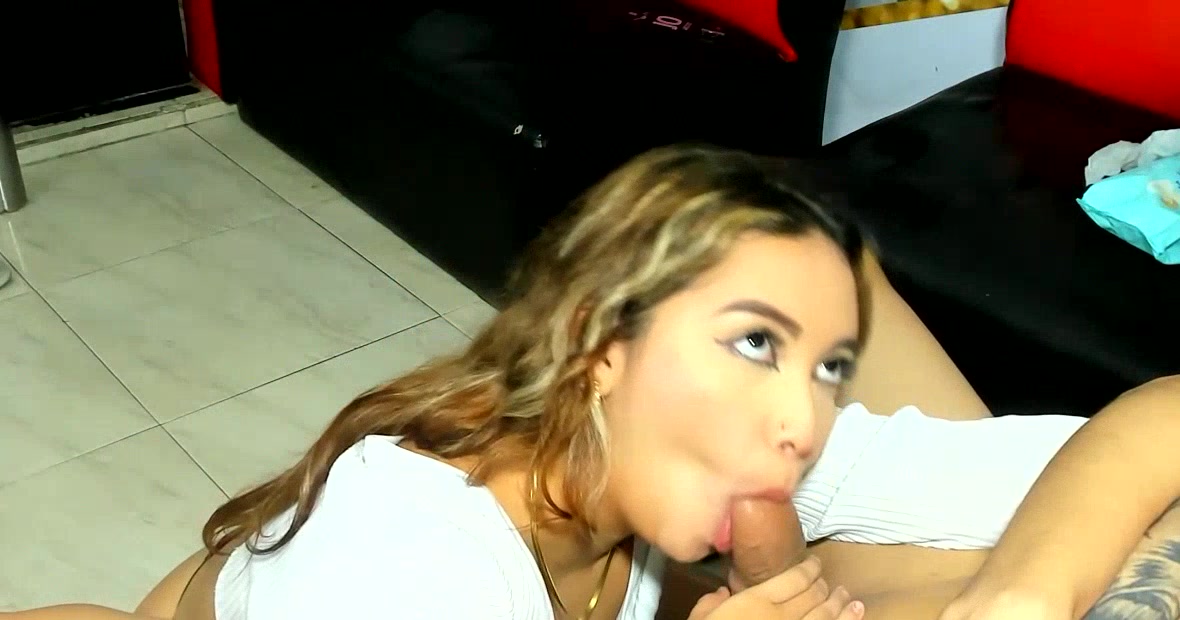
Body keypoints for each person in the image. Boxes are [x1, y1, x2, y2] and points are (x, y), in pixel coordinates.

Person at [8, 145, 1180, 620]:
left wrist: (1020, 596)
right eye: (751, 343)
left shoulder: (742, 445)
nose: (803, 410)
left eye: (827, 363)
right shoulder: (405, 555)